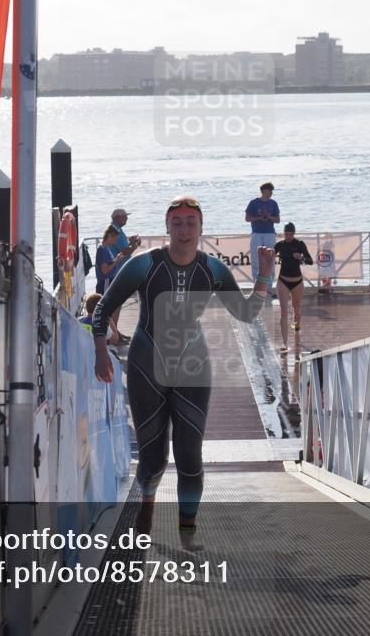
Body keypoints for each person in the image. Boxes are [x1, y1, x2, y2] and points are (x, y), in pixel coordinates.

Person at [92, 196, 275, 536]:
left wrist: (263, 276)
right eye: (177, 222)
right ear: (167, 226)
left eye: (191, 222)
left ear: (201, 228)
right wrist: (101, 350)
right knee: (153, 456)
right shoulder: (144, 265)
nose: (184, 229)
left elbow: (246, 313)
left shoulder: (213, 269)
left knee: (190, 455)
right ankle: (147, 501)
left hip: (193, 366)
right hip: (147, 365)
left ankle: (187, 526)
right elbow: (104, 307)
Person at [274, 222, 313, 352]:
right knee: (283, 311)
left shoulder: (300, 244)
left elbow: (310, 261)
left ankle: (297, 326)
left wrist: (301, 258)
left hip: (297, 282)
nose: (288, 236)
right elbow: (270, 257)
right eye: (286, 234)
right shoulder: (279, 245)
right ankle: (284, 343)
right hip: (283, 281)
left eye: (291, 234)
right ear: (283, 233)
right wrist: (266, 255)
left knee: (296, 310)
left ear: (294, 233)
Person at [95, 225, 134, 343]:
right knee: (109, 309)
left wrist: (117, 259)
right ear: (109, 236)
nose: (115, 242)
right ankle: (112, 336)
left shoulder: (106, 249)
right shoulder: (102, 249)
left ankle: (115, 333)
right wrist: (116, 261)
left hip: (110, 281)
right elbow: (105, 270)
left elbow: (109, 265)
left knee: (115, 306)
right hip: (105, 282)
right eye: (114, 239)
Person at [245, 182, 279, 291]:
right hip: (257, 233)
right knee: (256, 260)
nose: (271, 193)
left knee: (270, 259)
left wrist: (269, 217)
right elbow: (247, 218)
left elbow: (278, 220)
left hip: (270, 233)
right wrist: (259, 218)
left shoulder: (273, 203)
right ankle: (257, 287)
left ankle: (269, 287)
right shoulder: (254, 203)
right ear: (264, 191)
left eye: (272, 191)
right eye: (269, 191)